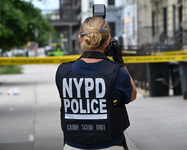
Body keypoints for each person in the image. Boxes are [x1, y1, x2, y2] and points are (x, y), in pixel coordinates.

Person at [55, 16, 137, 150]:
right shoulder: (117, 72)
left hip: (73, 145)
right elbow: (132, 95)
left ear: (80, 38)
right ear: (108, 41)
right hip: (110, 144)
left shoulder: (63, 71)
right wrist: (120, 61)